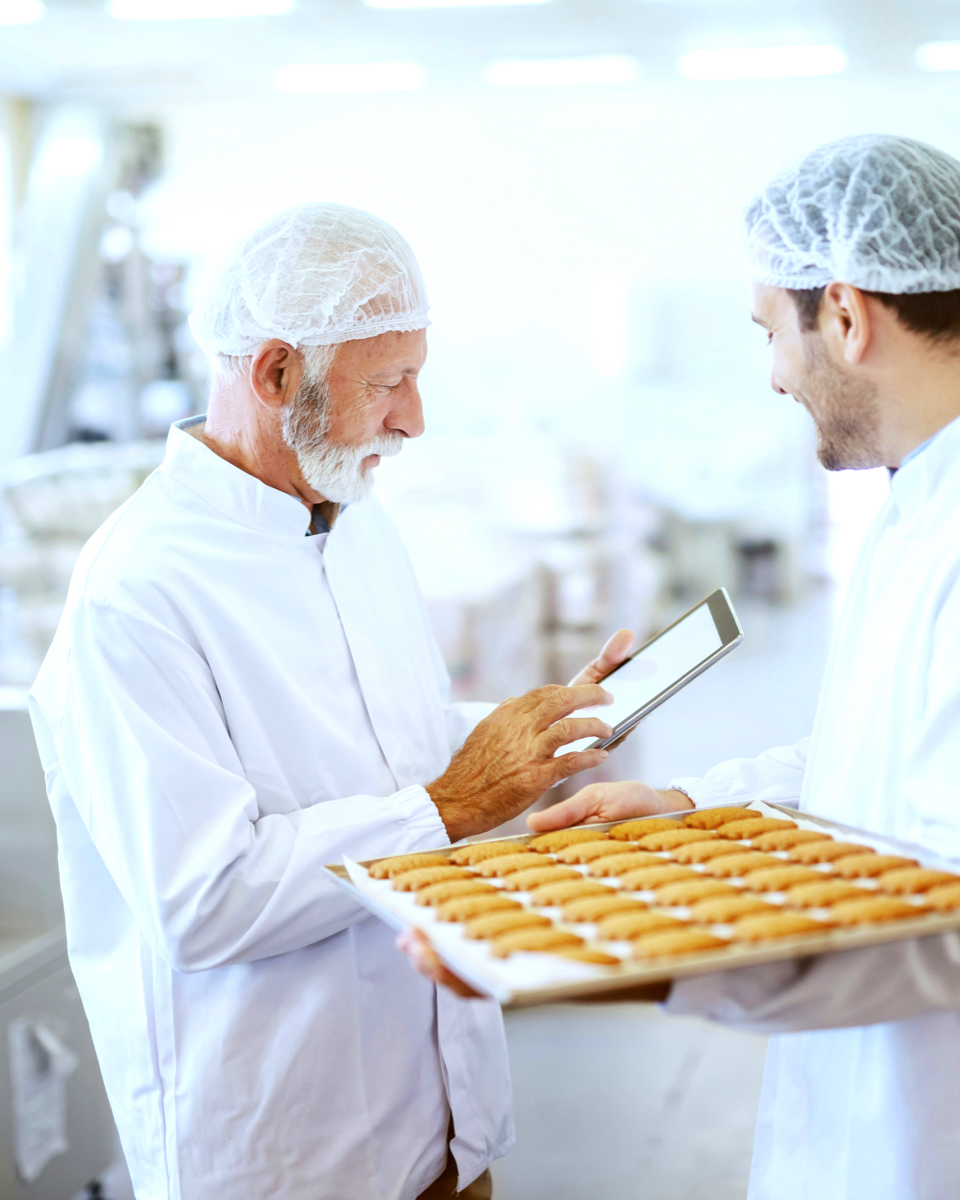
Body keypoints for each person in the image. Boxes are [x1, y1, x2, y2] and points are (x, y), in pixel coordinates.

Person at [27, 202, 624, 1200]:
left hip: (445, 1115)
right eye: (389, 382)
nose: (414, 418)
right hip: (288, 1150)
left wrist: (524, 741)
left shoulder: (352, 521)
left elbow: (392, 753)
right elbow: (205, 901)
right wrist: (458, 802)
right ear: (274, 374)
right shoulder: (136, 592)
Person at [405, 136, 960, 1200]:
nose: (770, 376)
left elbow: (939, 924)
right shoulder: (910, 512)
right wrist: (686, 801)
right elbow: (868, 765)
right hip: (854, 1113)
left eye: (770, 333)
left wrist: (617, 958)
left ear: (845, 317)